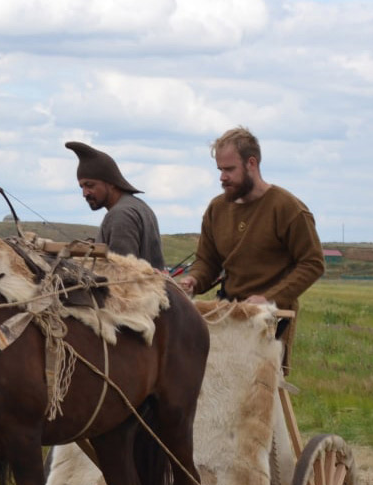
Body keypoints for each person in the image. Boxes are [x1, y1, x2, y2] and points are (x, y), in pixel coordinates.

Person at [176, 126, 325, 373]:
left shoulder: (287, 208)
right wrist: (193, 280)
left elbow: (312, 263)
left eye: (229, 169)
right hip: (227, 314)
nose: (222, 177)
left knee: (258, 398)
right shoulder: (217, 209)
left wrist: (268, 298)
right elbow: (207, 261)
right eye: (220, 170)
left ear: (251, 163)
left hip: (270, 319)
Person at [65, 141, 164, 270]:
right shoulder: (138, 206)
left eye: (90, 185)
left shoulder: (121, 214)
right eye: (82, 187)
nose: (85, 193)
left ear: (111, 183)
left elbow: (121, 273)